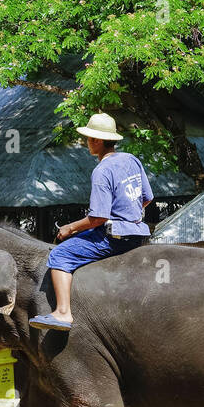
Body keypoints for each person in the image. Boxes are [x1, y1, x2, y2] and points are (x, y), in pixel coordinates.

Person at [30, 113, 154, 331]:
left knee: (59, 254)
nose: (86, 142)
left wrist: (69, 228)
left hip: (114, 238)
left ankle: (62, 313)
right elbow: (147, 198)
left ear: (96, 141)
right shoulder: (132, 160)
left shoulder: (102, 171)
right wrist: (129, 216)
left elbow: (99, 217)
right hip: (139, 233)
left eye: (88, 138)